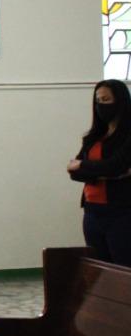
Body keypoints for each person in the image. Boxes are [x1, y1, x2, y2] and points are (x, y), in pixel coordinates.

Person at [67, 80, 131, 267]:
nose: (101, 105)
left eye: (106, 99)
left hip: (121, 212)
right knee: (100, 270)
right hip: (92, 211)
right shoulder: (94, 136)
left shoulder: (127, 135)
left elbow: (115, 166)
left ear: (120, 102)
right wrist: (104, 172)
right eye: (98, 100)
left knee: (122, 267)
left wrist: (84, 167)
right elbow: (74, 173)